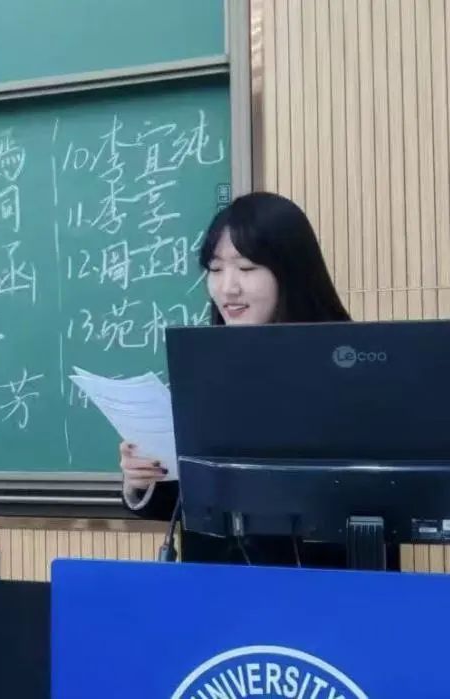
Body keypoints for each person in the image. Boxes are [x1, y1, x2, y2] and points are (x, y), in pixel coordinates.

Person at [118, 191, 400, 570]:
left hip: (328, 585)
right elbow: (192, 502)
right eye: (215, 269)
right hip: (218, 586)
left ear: (291, 271)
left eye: (247, 268)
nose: (227, 288)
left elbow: (388, 497)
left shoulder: (354, 365)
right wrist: (143, 479)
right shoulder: (205, 367)